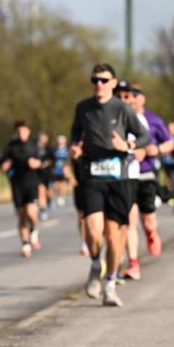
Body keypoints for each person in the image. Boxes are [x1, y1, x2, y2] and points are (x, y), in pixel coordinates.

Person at [70, 64, 149, 307]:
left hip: (119, 178)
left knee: (115, 238)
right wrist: (75, 148)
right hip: (92, 176)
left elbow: (144, 136)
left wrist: (127, 147)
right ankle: (96, 264)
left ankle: (111, 284)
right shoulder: (83, 108)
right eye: (95, 79)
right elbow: (75, 134)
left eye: (104, 80)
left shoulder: (122, 108)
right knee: (93, 229)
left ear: (113, 82)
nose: (99, 84)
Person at [116, 83, 173, 281]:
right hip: (126, 175)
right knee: (130, 220)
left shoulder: (153, 120)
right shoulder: (118, 119)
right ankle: (133, 263)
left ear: (142, 98)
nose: (131, 99)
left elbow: (170, 143)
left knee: (148, 221)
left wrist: (155, 150)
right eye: (127, 95)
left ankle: (151, 233)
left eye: (134, 95)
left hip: (147, 173)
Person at [0, 121, 42, 258]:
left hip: (32, 183)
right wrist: (4, 165)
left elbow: (45, 160)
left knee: (31, 211)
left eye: (24, 130)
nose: (21, 133)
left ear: (28, 131)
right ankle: (25, 243)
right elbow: (2, 162)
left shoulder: (34, 144)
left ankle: (34, 229)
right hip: (17, 184)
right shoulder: (11, 146)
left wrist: (37, 163)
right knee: (21, 214)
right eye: (19, 131)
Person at [36, 132, 54, 221]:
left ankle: (50, 199)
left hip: (48, 173)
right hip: (39, 174)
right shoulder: (35, 148)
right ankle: (42, 210)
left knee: (49, 191)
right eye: (41, 138)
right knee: (40, 191)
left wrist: (45, 164)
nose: (43, 140)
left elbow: (53, 160)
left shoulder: (49, 149)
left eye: (44, 138)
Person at [51, 135, 71, 207]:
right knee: (56, 185)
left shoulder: (67, 150)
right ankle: (56, 195)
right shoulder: (54, 150)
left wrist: (68, 168)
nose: (61, 144)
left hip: (64, 170)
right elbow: (52, 159)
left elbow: (69, 160)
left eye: (62, 142)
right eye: (59, 142)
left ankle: (61, 196)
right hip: (56, 170)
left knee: (63, 184)